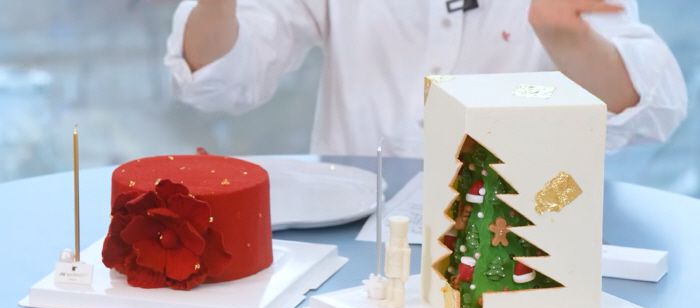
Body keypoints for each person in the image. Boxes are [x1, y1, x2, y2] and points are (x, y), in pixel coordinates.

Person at [164, 0, 687, 157]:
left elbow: (654, 110)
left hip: (512, 239)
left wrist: (570, 41)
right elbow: (219, 80)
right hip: (353, 242)